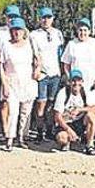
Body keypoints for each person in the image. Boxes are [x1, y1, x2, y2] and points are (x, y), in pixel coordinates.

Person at [0, 17, 39, 150]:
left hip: (28, 81)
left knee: (26, 112)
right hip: (12, 81)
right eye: (14, 30)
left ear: (24, 31)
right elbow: (1, 66)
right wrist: (4, 84)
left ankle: (22, 137)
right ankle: (9, 139)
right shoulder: (6, 45)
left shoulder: (30, 43)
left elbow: (38, 59)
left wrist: (37, 70)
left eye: (19, 30)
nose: (16, 33)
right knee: (13, 111)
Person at [29, 7, 64, 142]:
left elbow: (60, 54)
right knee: (40, 104)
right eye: (43, 17)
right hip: (42, 74)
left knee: (51, 103)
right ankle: (39, 132)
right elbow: (34, 54)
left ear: (52, 19)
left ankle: (49, 130)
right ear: (39, 19)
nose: (46, 20)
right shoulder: (34, 35)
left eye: (48, 17)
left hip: (55, 73)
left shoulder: (58, 34)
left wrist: (61, 72)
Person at [0, 5, 21, 138]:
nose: (11, 19)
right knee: (1, 102)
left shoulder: (22, 31)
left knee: (14, 104)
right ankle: (3, 129)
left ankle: (12, 130)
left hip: (15, 75)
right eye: (10, 16)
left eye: (14, 16)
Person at [53, 69, 95, 155]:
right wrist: (68, 129)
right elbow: (57, 116)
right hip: (66, 122)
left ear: (82, 82)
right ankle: (68, 141)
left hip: (80, 122)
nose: (76, 83)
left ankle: (90, 144)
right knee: (61, 138)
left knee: (91, 116)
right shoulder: (63, 93)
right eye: (73, 81)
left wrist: (80, 110)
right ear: (69, 82)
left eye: (79, 81)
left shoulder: (85, 92)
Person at [60, 17, 95, 91]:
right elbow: (66, 65)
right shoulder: (71, 44)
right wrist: (70, 78)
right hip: (76, 83)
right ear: (77, 31)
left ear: (89, 31)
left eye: (85, 30)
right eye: (80, 30)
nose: (82, 33)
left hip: (92, 83)